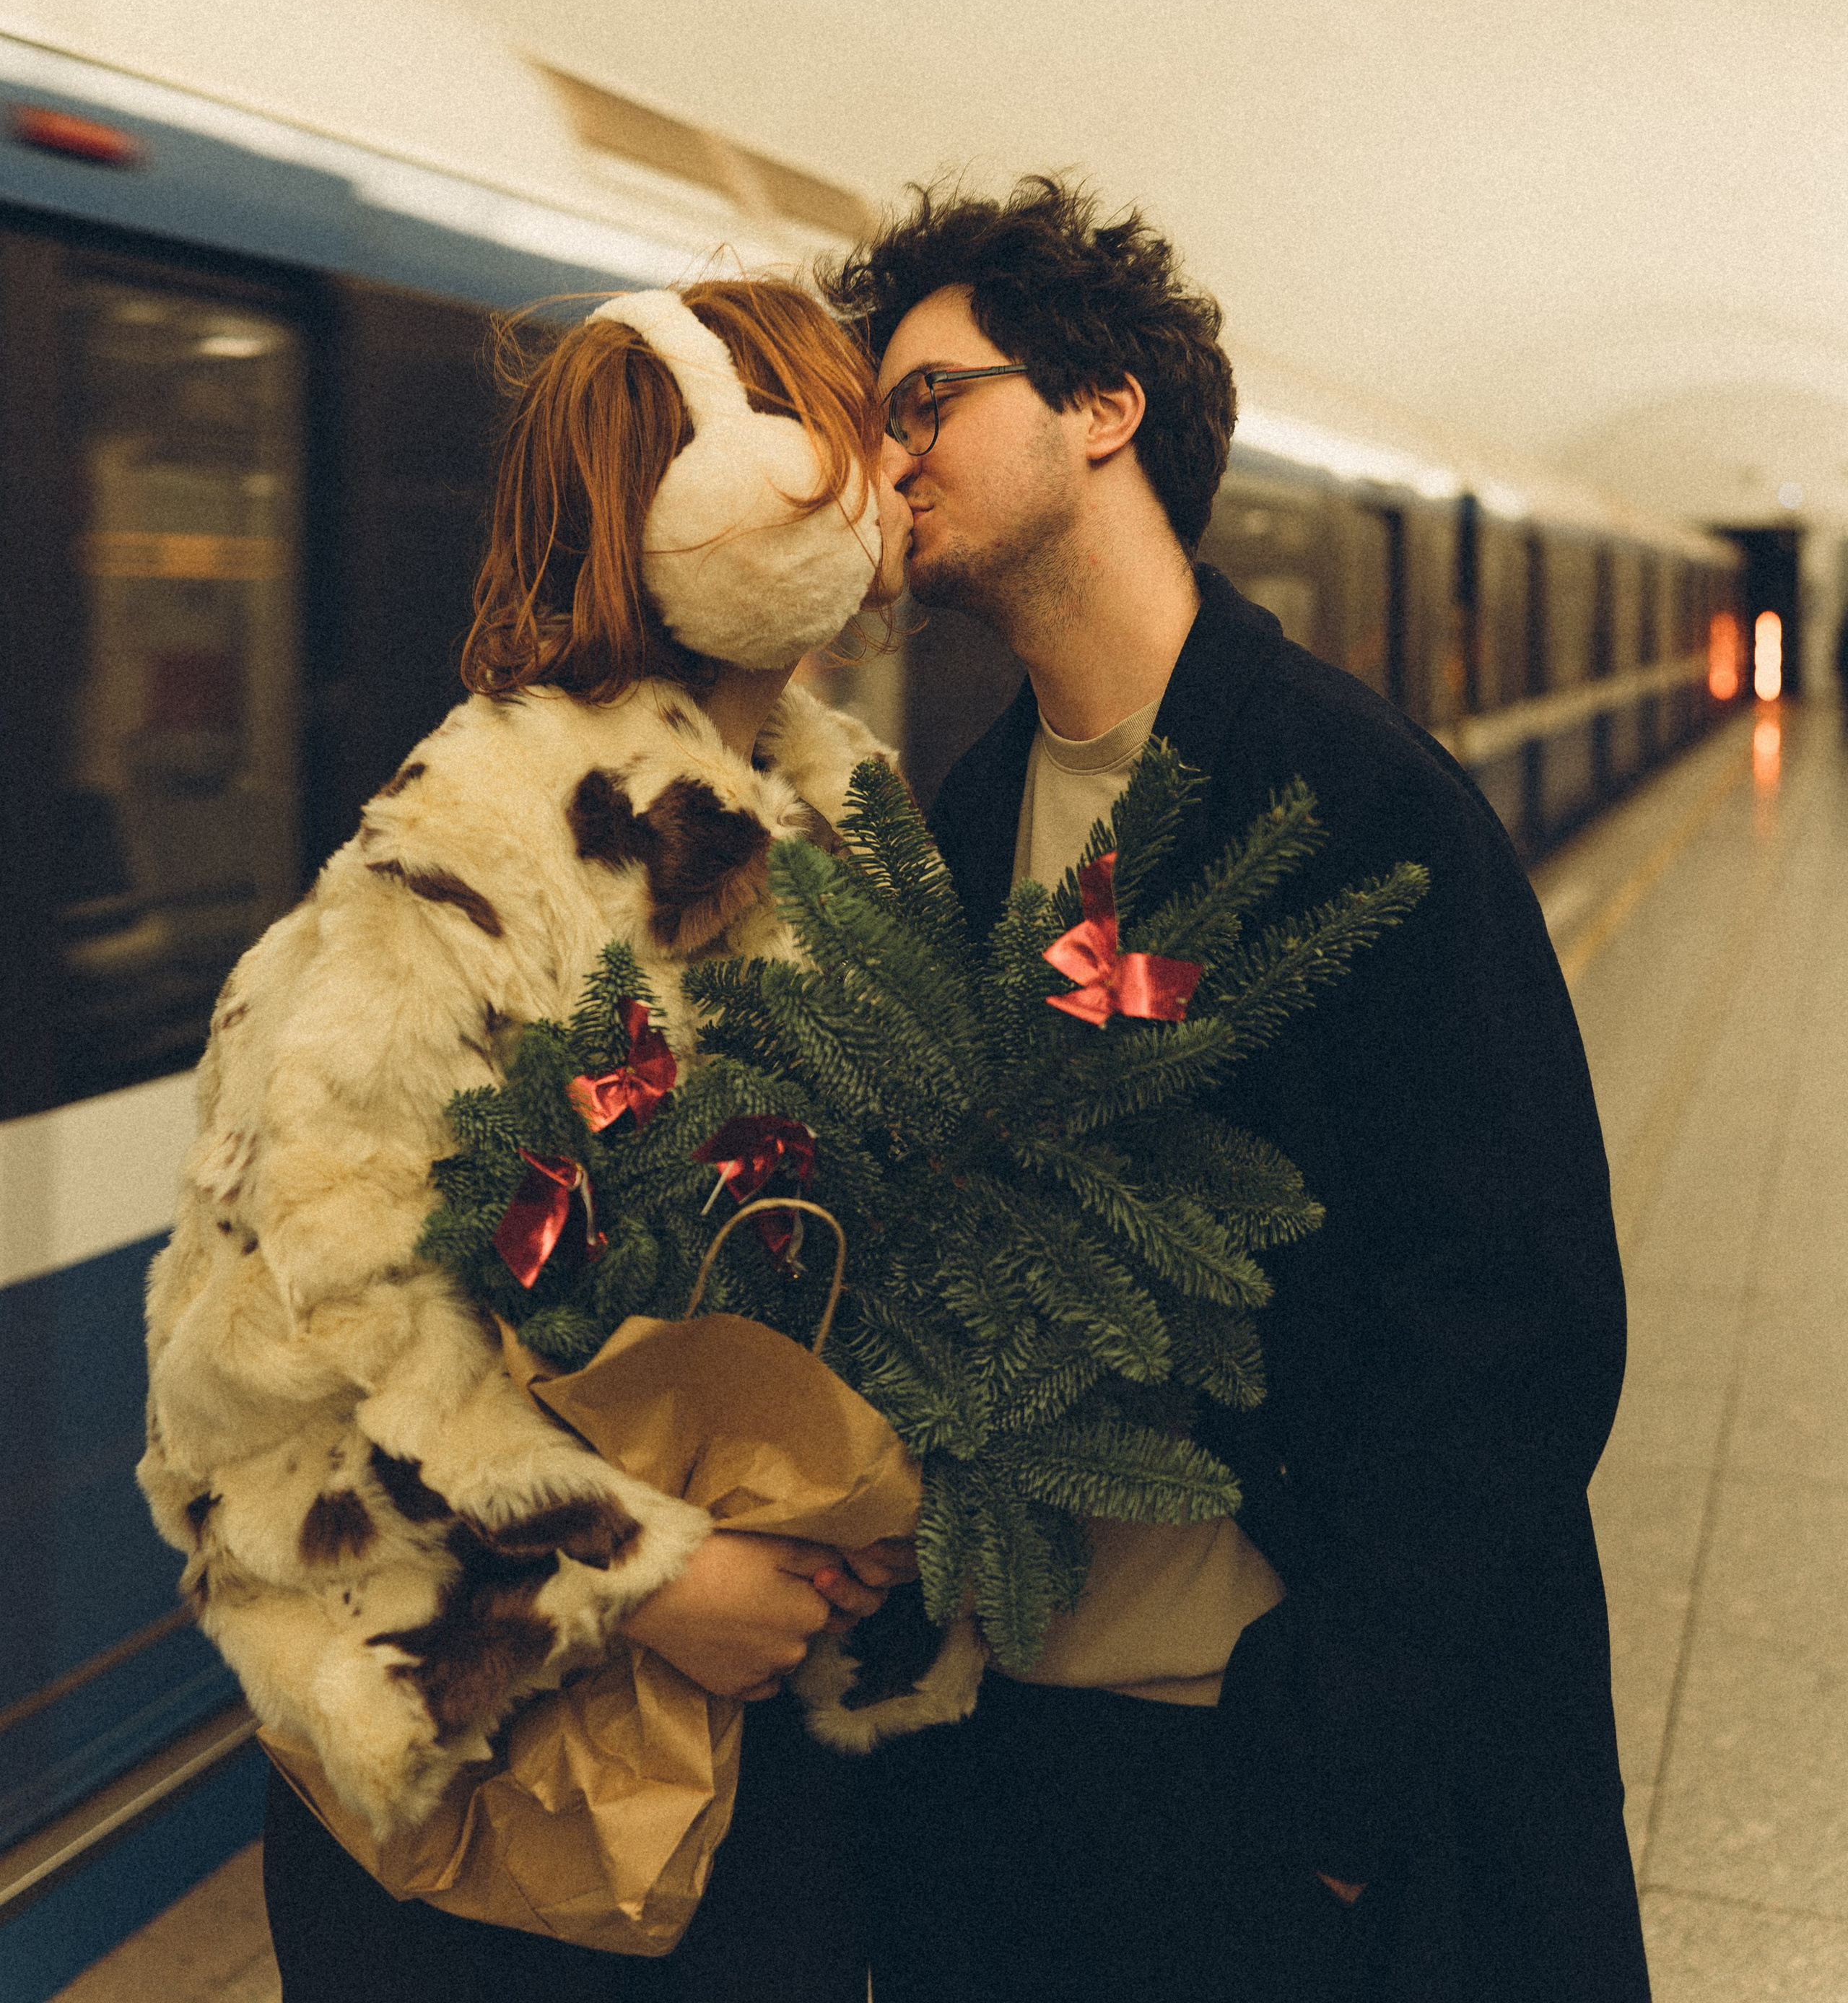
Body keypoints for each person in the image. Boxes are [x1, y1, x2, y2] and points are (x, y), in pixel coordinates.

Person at [820, 181, 1649, 2003]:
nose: (889, 462)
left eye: (926, 402)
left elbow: (1517, 1319)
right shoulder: (968, 812)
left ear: (1101, 407)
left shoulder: (1351, 801)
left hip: (1250, 1771)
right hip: (1005, 1757)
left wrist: (1330, 1756)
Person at [139, 279, 915, 2003]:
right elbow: (336, 1311)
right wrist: (649, 1573)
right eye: (845, 438)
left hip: (742, 1737)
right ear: (735, 494)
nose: (883, 484)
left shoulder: (840, 812)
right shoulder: (478, 844)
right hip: (496, 1762)